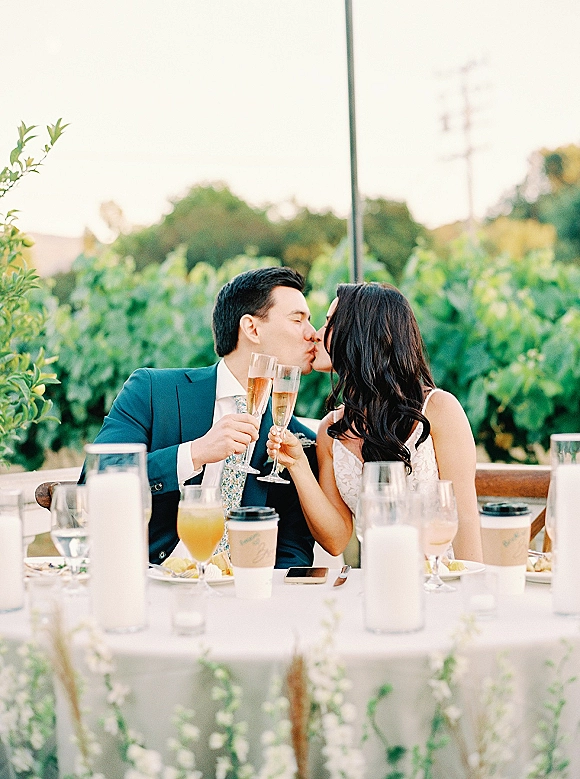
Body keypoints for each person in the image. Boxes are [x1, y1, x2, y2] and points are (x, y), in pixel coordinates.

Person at [86, 267, 321, 567]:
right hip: (148, 586)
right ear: (252, 328)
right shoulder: (152, 392)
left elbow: (293, 552)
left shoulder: (298, 443)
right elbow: (94, 483)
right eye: (298, 318)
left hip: (239, 601)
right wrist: (194, 453)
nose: (312, 333)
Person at [267, 282, 484, 562]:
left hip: (440, 581)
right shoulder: (331, 431)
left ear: (361, 334)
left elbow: (465, 518)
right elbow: (336, 541)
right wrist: (297, 466)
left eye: (329, 323)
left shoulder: (440, 410)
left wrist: (472, 597)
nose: (316, 336)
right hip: (377, 582)